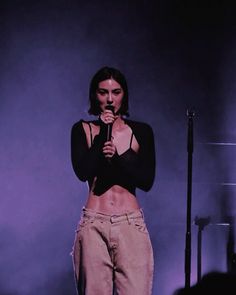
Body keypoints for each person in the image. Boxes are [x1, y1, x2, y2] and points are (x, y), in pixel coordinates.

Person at [70, 66, 156, 295]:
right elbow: (82, 171)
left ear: (124, 94)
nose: (109, 99)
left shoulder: (141, 131)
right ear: (94, 95)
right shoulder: (83, 129)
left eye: (116, 92)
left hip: (130, 224)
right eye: (103, 92)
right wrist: (101, 138)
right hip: (94, 223)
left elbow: (147, 180)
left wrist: (118, 157)